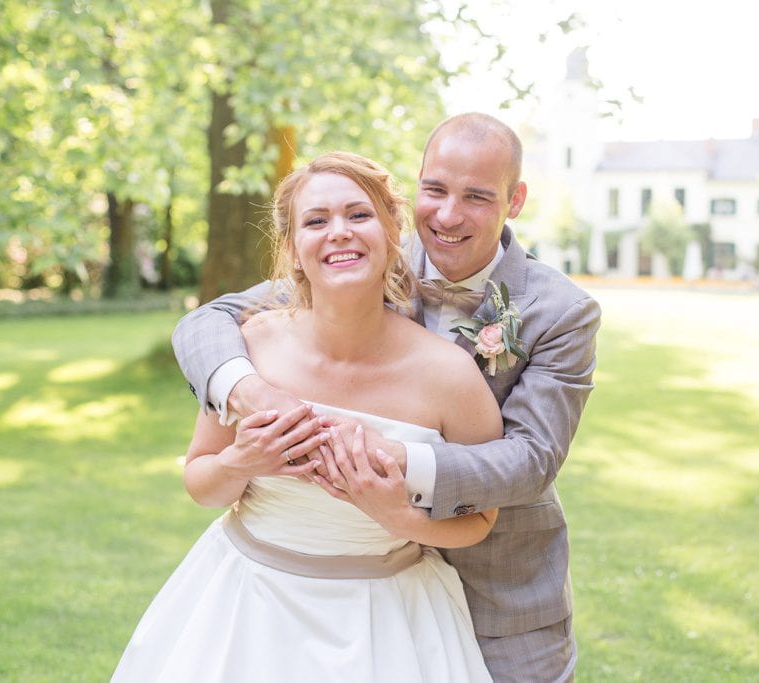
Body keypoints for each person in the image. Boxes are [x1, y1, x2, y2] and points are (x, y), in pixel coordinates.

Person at [172, 113, 602, 682]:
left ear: (514, 199)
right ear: (417, 184)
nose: (448, 215)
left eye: (476, 197)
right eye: (435, 190)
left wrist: (387, 459)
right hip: (338, 585)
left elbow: (531, 461)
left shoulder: (562, 312)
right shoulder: (365, 257)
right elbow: (210, 319)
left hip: (500, 583)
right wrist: (251, 393)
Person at [113, 152, 502, 682]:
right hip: (245, 607)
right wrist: (240, 462)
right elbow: (201, 483)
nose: (338, 233)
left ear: (393, 233)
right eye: (316, 221)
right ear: (293, 250)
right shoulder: (249, 347)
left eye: (358, 215)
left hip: (391, 622)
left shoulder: (450, 375)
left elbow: (481, 519)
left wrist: (398, 517)